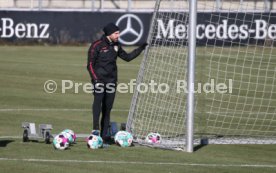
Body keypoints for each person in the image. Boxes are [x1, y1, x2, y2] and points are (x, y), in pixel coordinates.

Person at [87, 23, 148, 144]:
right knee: (97, 105)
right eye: (116, 33)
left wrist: (141, 48)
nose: (118, 35)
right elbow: (90, 65)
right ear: (109, 34)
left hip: (111, 82)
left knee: (107, 109)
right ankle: (95, 130)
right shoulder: (97, 45)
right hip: (99, 81)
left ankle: (104, 136)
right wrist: (96, 80)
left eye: (118, 33)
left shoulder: (116, 46)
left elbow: (128, 57)